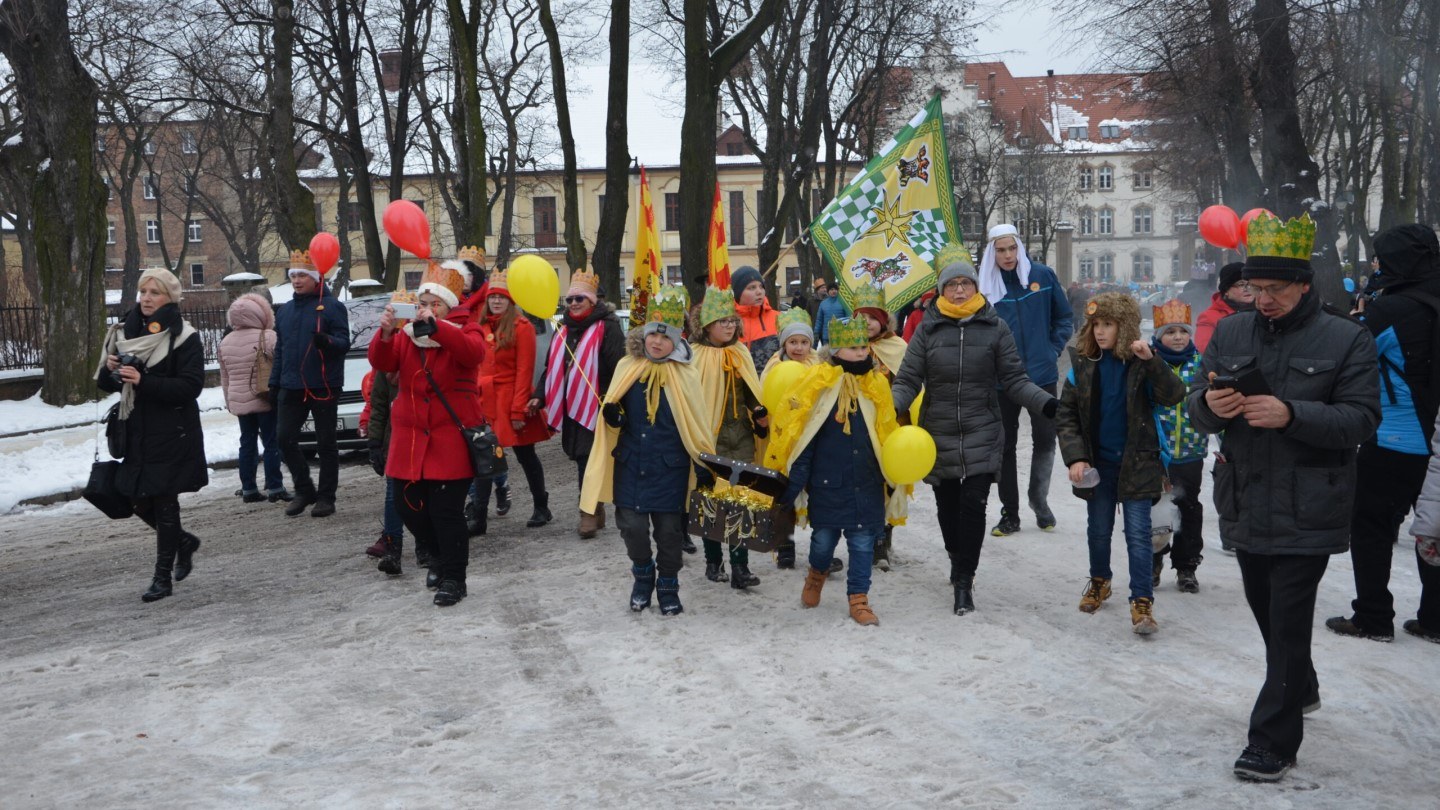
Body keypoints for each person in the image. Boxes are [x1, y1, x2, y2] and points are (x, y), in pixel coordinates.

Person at [1187, 213, 1379, 782]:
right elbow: (1198, 398)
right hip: (1244, 495)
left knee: (1288, 618)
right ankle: (1302, 683)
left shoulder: (1347, 337)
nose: (1262, 299)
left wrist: (1293, 414)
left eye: (1274, 290)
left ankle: (1272, 741)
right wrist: (1209, 408)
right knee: (1268, 613)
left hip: (1309, 502)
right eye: (1254, 289)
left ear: (1303, 286)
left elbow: (1362, 418)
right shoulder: (1231, 332)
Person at [892, 249, 1058, 615]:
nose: (960, 290)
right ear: (941, 290)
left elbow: (1014, 379)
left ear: (975, 286)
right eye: (952, 284)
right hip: (938, 432)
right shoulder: (927, 329)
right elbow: (907, 379)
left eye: (965, 283)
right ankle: (956, 557)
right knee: (948, 507)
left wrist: (1045, 403)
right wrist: (890, 408)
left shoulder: (995, 326)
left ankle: (964, 580)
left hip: (983, 429)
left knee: (974, 505)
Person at [1327, 223, 1440, 643]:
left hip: (1396, 437)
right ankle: (1434, 617)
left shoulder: (1391, 309)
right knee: (1434, 524)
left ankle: (1373, 617)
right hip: (1437, 440)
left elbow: (1353, 354)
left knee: (1371, 526)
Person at [1055, 292, 1186, 635]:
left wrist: (1153, 360)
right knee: (1098, 531)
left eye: (1108, 324)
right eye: (1096, 324)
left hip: (1138, 463)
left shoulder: (1142, 362)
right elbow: (1066, 415)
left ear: (1124, 327)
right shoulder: (1083, 364)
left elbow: (1173, 394)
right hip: (1098, 466)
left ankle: (1141, 602)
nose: (1100, 332)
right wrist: (1076, 456)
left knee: (1139, 536)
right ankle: (1100, 581)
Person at [580, 286, 714, 615]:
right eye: (653, 334)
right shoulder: (629, 366)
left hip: (671, 467)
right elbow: (612, 416)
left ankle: (668, 582)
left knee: (669, 534)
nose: (656, 342)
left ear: (677, 340)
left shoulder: (686, 375)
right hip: (631, 463)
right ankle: (643, 575)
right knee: (632, 528)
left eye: (665, 337)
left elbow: (695, 423)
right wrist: (612, 417)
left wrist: (703, 463)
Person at [769, 316, 904, 626]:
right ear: (835, 350)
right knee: (822, 543)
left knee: (861, 545)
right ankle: (816, 575)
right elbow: (806, 439)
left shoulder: (875, 385)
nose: (860, 352)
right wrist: (791, 488)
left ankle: (859, 599)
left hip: (867, 484)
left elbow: (884, 432)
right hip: (828, 486)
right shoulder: (821, 385)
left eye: (862, 347)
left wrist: (893, 477)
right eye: (852, 347)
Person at [369, 264, 486, 606]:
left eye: (436, 304)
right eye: (424, 302)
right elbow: (383, 363)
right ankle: (437, 557)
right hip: (410, 440)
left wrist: (438, 329)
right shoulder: (409, 336)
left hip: (450, 440)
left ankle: (454, 577)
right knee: (410, 510)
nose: (428, 309)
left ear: (450, 306)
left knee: (445, 512)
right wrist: (387, 332)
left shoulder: (469, 330)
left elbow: (471, 353)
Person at [96, 268, 207, 602]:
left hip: (172, 431)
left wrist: (145, 381)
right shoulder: (124, 330)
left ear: (169, 298)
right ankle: (184, 542)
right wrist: (112, 372)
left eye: (154, 292)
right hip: (135, 430)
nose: (146, 298)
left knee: (164, 501)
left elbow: (191, 386)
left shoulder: (184, 336)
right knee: (131, 494)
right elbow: (104, 382)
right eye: (143, 291)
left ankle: (162, 579)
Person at [978, 223, 1073, 536]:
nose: (1007, 256)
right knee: (1004, 446)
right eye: (1001, 250)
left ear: (1019, 247)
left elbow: (1063, 318)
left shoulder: (1042, 276)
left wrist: (1051, 349)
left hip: (1041, 377)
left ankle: (1039, 501)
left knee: (1046, 441)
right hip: (1001, 382)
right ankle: (1010, 513)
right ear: (992, 253)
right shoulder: (984, 288)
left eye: (1012, 248)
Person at [533, 268, 625, 539]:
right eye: (570, 300)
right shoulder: (563, 330)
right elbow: (551, 367)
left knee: (588, 460)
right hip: (569, 405)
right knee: (580, 458)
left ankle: (587, 511)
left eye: (579, 299)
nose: (573, 304)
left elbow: (619, 367)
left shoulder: (607, 327)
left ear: (592, 301)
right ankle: (596, 508)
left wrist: (611, 401)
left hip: (597, 406)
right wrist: (540, 394)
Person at [690, 285, 769, 588]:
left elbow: (750, 391)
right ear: (707, 324)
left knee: (743, 501)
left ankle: (740, 567)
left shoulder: (740, 352)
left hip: (742, 437)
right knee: (711, 501)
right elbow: (692, 400)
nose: (729, 326)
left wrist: (759, 414)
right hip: (712, 438)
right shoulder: (695, 356)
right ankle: (713, 561)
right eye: (722, 321)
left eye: (732, 320)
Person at [472, 269, 553, 532]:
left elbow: (524, 370)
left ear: (510, 301)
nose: (496, 301)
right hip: (486, 402)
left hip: (511, 401)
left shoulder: (522, 327)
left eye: (501, 297)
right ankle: (479, 516)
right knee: (485, 459)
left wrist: (518, 411)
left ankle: (542, 506)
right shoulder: (479, 328)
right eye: (492, 297)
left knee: (525, 455)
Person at [271, 250, 350, 518]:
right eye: (293, 275)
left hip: (323, 384)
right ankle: (305, 489)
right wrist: (275, 382)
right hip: (291, 385)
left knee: (326, 442)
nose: (296, 280)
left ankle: (326, 497)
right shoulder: (285, 311)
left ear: (316, 277)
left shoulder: (332, 306)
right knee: (284, 438)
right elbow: (280, 349)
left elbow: (343, 343)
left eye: (302, 274)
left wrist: (327, 342)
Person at [1148, 300, 1207, 593]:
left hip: (1192, 451)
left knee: (1188, 508)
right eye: (1169, 332)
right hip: (1158, 454)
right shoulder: (1149, 363)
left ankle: (1186, 566)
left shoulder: (1201, 364)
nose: (1177, 337)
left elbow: (1213, 404)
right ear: (1159, 336)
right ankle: (1154, 560)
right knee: (1157, 509)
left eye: (1182, 331)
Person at [218, 292, 289, 504]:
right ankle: (275, 486)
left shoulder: (226, 341)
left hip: (240, 401)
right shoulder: (268, 337)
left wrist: (230, 401)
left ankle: (248, 487)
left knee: (246, 443)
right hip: (265, 397)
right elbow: (280, 366)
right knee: (271, 442)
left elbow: (224, 377)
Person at [359, 369, 410, 574]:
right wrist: (374, 443)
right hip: (395, 438)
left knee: (426, 493)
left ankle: (426, 546)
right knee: (393, 494)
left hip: (426, 435)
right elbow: (378, 405)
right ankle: (392, 547)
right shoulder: (387, 363)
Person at [1193, 262, 1255, 353]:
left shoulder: (1265, 311)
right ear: (1226, 290)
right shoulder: (1209, 317)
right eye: (1241, 284)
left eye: (1250, 284)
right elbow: (1204, 349)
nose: (1247, 288)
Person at [732, 265, 781, 370]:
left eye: (761, 286)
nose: (759, 292)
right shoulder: (728, 323)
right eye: (752, 288)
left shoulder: (779, 319)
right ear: (737, 293)